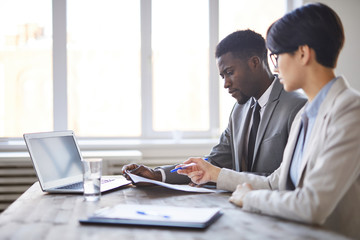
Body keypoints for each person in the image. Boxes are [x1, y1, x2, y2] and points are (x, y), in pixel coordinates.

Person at [178, 3, 360, 239]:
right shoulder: (308, 113)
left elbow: (312, 204)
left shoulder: (350, 110)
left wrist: (250, 197)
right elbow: (276, 183)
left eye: (275, 56)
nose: (273, 66)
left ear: (303, 54)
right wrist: (214, 174)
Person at [122, 30, 306, 184]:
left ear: (254, 63)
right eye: (222, 76)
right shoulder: (239, 110)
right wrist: (158, 175)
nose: (226, 84)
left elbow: (287, 180)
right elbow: (215, 162)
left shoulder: (297, 106)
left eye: (230, 72)